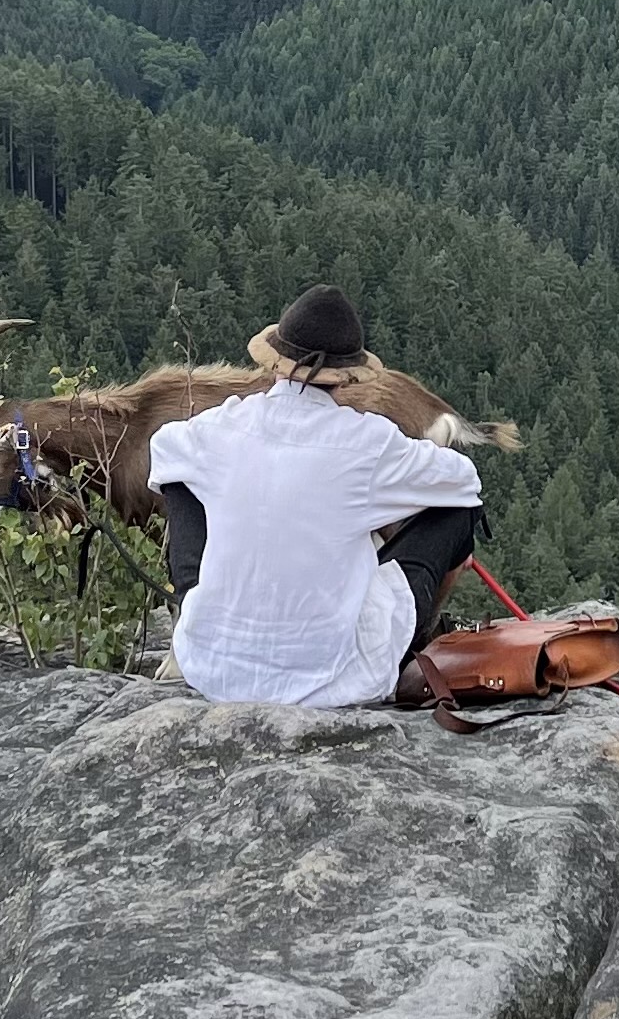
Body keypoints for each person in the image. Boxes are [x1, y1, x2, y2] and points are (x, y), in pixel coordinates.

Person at [151, 284, 484, 709]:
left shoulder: (222, 426)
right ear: (347, 377)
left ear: (275, 361)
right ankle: (416, 643)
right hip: (332, 682)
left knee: (178, 476)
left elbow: (163, 447)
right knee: (459, 514)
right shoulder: (366, 443)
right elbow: (463, 482)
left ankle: (196, 604)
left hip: (213, 670)